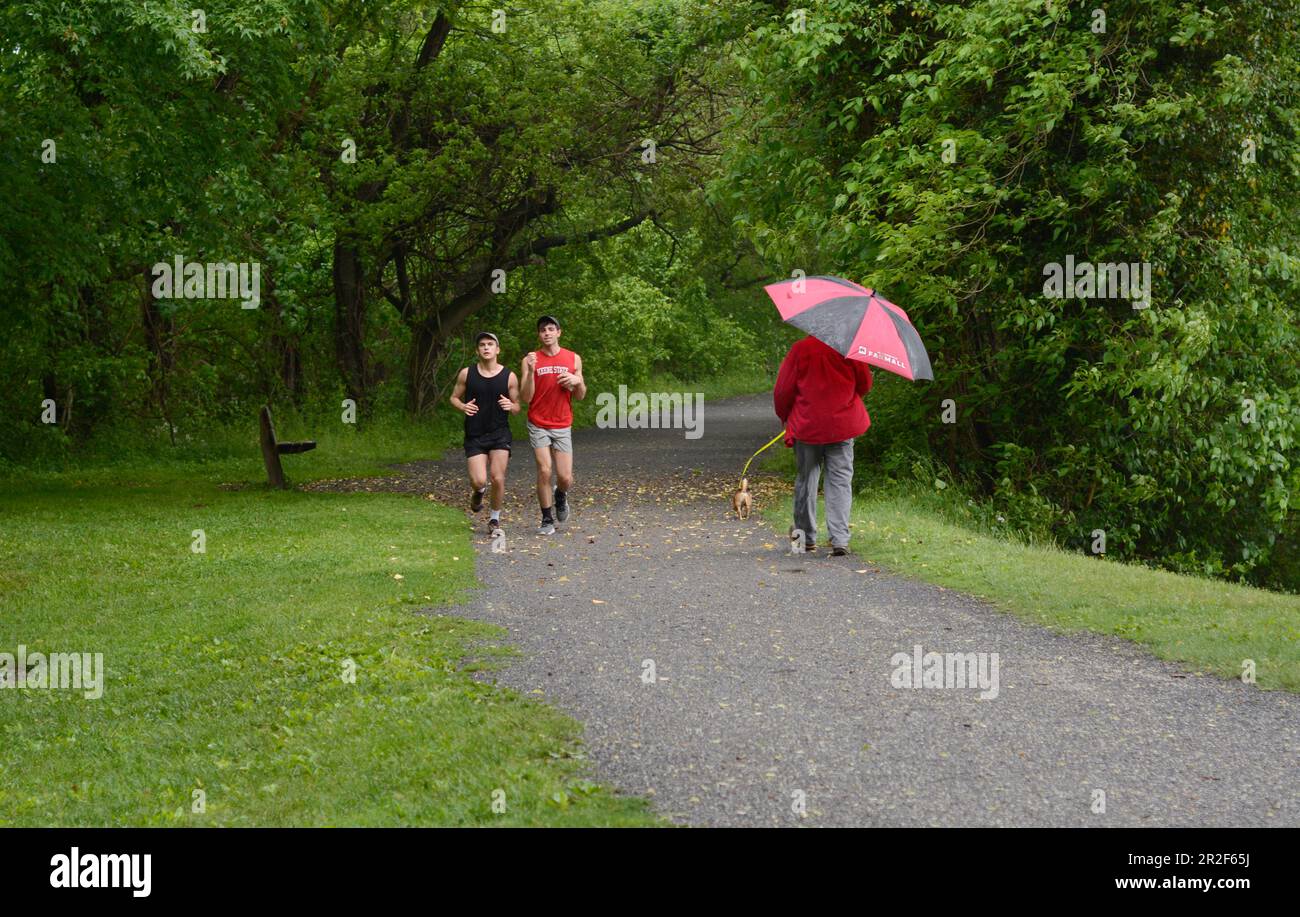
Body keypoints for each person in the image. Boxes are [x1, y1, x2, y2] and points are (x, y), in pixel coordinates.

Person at [773, 335, 873, 556]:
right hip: (842, 425)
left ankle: (805, 538)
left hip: (808, 427)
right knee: (840, 481)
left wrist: (785, 416)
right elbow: (865, 384)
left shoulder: (800, 349)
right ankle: (839, 539)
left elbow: (782, 391)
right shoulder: (848, 347)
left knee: (806, 480)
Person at [519, 315, 585, 535]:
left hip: (562, 423)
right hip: (538, 421)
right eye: (542, 330)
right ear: (539, 335)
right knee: (545, 469)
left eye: (550, 329)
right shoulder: (531, 359)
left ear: (559, 332)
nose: (546, 333)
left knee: (565, 477)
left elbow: (581, 396)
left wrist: (577, 381)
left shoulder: (573, 358)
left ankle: (560, 495)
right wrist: (529, 372)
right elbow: (526, 397)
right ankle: (547, 519)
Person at [450, 331, 520, 535]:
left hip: (499, 433)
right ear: (477, 350)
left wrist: (511, 405)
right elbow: (453, 397)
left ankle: (494, 519)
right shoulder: (467, 374)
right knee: (479, 480)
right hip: (475, 435)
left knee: (498, 478)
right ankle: (479, 491)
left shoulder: (509, 376)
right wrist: (462, 406)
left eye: (490, 344)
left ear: (497, 349)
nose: (486, 347)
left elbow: (518, 407)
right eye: (482, 345)